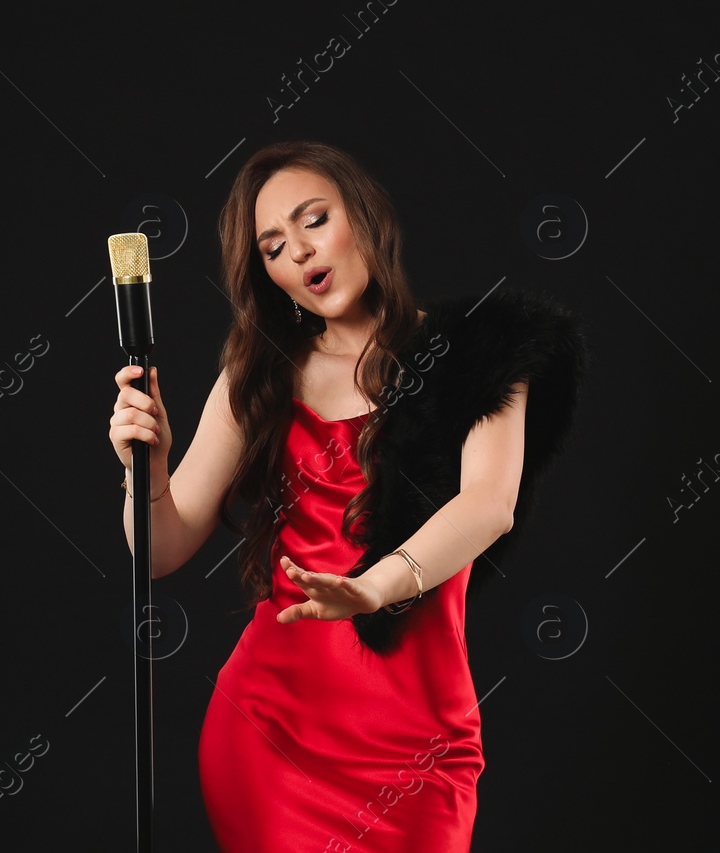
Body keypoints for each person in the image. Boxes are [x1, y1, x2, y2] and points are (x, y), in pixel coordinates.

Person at [107, 140, 586, 851]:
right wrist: (146, 472)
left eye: (313, 220)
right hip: (270, 728)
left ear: (362, 217)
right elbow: (161, 551)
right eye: (273, 246)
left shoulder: (482, 354)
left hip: (419, 742)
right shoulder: (258, 374)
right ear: (267, 274)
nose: (298, 252)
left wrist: (372, 588)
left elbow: (489, 504)